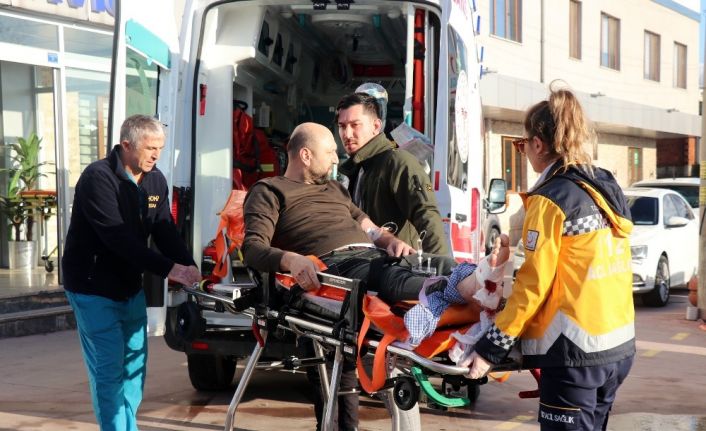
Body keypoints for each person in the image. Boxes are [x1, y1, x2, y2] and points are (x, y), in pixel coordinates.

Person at [243, 122, 481, 431]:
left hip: (374, 255)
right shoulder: (269, 190)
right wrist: (291, 260)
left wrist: (388, 240)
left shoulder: (334, 188)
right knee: (390, 278)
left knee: (430, 263)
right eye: (329, 153)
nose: (334, 160)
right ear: (305, 154)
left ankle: (478, 281)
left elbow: (366, 225)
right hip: (337, 265)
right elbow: (252, 248)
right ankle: (448, 291)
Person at [466, 84, 636, 431]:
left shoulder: (551, 199)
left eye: (522, 144)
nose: (524, 150)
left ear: (538, 145)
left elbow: (532, 285)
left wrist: (490, 349)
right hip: (616, 349)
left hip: (574, 354)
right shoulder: (602, 187)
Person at [62, 115, 202, 431]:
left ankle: (127, 425)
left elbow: (165, 231)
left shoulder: (155, 180)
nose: (156, 155)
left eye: (160, 148)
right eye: (150, 148)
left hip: (130, 288)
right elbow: (117, 238)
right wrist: (170, 269)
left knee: (135, 368)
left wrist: (189, 266)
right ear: (126, 145)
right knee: (109, 370)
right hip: (92, 288)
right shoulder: (98, 178)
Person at [336, 92, 449, 257]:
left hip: (399, 272)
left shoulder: (398, 161)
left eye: (355, 125)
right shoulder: (358, 169)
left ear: (376, 126)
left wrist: (441, 272)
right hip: (369, 270)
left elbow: (427, 215)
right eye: (342, 126)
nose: (347, 134)